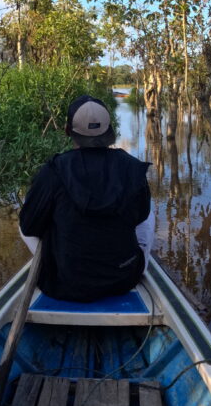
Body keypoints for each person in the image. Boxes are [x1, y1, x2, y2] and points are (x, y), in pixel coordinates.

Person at [19, 95, 154, 302]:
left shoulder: (54, 170)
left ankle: (54, 260)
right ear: (110, 131)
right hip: (123, 278)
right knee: (148, 212)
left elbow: (29, 227)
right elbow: (140, 216)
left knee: (25, 219)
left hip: (65, 282)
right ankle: (130, 257)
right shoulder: (132, 167)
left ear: (67, 131)